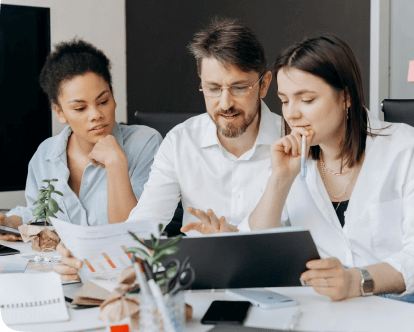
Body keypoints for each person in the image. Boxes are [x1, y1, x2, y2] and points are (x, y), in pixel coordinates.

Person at [53, 18, 282, 281]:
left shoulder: (294, 141)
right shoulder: (181, 141)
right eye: (213, 88)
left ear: (264, 85)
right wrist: (85, 255)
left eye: (239, 87)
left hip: (281, 285)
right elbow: (143, 227)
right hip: (198, 285)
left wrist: (236, 241)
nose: (225, 103)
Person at [237, 35, 414, 309]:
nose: (291, 114)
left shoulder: (406, 147)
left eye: (307, 100)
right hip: (334, 306)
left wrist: (356, 280)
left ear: (346, 97)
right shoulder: (290, 160)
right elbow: (257, 252)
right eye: (285, 101)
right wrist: (280, 180)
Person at [0, 39, 162, 241]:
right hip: (63, 267)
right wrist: (8, 223)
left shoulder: (145, 143)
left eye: (103, 101)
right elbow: (39, 214)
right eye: (80, 108)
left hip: (121, 268)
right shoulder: (45, 154)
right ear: (60, 112)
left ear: (113, 97)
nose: (96, 114)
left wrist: (115, 162)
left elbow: (132, 236)